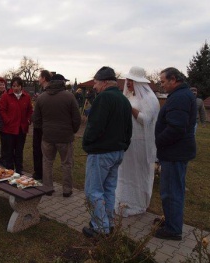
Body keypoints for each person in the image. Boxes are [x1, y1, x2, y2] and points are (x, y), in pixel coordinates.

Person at [82, 66, 132, 237]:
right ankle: (108, 223)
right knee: (109, 189)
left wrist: (87, 144)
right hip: (117, 152)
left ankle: (100, 228)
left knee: (93, 191)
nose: (94, 86)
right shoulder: (124, 100)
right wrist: (123, 146)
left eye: (95, 82)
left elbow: (94, 127)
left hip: (101, 153)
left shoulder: (104, 98)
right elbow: (129, 128)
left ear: (103, 82)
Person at [154, 67, 196, 241]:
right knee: (172, 190)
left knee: (171, 192)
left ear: (173, 79)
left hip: (174, 153)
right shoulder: (181, 95)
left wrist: (158, 141)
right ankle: (171, 221)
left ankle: (173, 229)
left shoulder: (179, 98)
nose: (161, 85)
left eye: (163, 81)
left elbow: (176, 128)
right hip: (176, 152)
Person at [115, 66, 160, 217]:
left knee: (138, 172)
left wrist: (130, 109)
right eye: (128, 80)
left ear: (140, 83)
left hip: (141, 142)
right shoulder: (130, 97)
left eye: (132, 81)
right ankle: (123, 198)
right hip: (128, 140)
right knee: (125, 171)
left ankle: (138, 202)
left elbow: (146, 120)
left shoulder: (149, 99)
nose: (128, 83)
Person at [33, 74, 81, 197]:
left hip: (48, 136)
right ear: (62, 82)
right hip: (65, 137)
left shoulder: (42, 97)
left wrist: (44, 130)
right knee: (66, 163)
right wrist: (72, 131)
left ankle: (48, 188)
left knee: (47, 162)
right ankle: (67, 189)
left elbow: (36, 119)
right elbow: (76, 118)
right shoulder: (69, 96)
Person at [0, 76, 33, 174]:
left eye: (17, 86)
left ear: (21, 86)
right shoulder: (6, 96)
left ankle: (19, 170)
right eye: (13, 86)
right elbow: (2, 109)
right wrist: (7, 120)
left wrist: (28, 120)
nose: (15, 88)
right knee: (9, 151)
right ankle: (10, 170)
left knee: (19, 151)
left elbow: (30, 110)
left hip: (21, 129)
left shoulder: (26, 97)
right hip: (9, 129)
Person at [32, 70, 51, 180]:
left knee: (42, 150)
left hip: (42, 126)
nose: (38, 79)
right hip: (41, 125)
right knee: (39, 150)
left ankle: (41, 173)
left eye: (39, 77)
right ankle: (39, 172)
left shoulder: (47, 92)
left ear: (44, 78)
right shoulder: (43, 91)